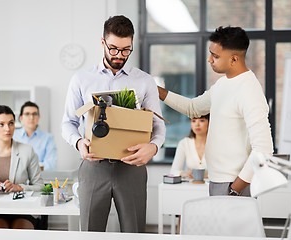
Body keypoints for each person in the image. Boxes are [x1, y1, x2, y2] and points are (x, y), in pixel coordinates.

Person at [61, 15, 165, 232]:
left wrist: (153, 147)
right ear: (102, 43)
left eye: (126, 50)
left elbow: (158, 125)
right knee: (90, 232)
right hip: (93, 166)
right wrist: (79, 143)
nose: (120, 55)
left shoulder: (144, 81)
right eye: (114, 48)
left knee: (134, 232)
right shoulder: (81, 79)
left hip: (132, 168)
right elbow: (68, 123)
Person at [158, 26, 273, 197]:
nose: (209, 59)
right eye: (210, 53)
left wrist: (236, 188)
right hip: (217, 181)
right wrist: (156, 91)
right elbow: (193, 108)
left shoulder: (249, 90)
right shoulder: (222, 84)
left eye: (215, 56)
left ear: (234, 59)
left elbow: (264, 149)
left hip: (233, 184)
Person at [13, 101, 57, 170]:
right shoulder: (13, 136)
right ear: (21, 118)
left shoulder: (48, 138)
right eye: (27, 114)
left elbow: (51, 165)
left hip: (40, 178)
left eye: (35, 114)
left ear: (39, 117)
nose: (31, 117)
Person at [170, 114, 209, 179]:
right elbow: (173, 171)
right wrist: (185, 174)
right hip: (190, 186)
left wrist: (206, 175)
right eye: (193, 121)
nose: (197, 125)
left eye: (202, 121)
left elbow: (223, 172)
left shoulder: (216, 144)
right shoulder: (184, 143)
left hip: (211, 187)